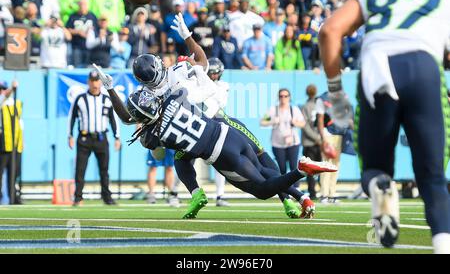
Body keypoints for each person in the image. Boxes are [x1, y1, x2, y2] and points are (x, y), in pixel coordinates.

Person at [95, 14, 323, 219]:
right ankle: (295, 196)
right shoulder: (176, 76)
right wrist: (187, 38)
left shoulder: (154, 98)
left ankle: (287, 198)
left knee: (258, 163)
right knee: (248, 166)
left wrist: (112, 90)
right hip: (213, 128)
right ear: (159, 65)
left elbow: (132, 123)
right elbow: (202, 64)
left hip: (213, 128)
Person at [318, 0, 450, 252]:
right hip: (422, 67)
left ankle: (381, 185)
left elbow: (329, 31)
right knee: (432, 178)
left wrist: (336, 93)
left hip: (375, 69)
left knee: (374, 169)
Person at [68, 71, 121, 206]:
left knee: (104, 170)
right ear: (88, 82)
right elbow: (71, 117)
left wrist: (117, 137)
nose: (94, 83)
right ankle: (78, 197)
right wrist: (70, 135)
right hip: (84, 138)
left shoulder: (107, 99)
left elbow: (113, 119)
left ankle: (107, 197)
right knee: (80, 169)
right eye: (92, 81)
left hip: (101, 138)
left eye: (97, 81)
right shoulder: (80, 99)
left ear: (100, 82)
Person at [193, 58, 230, 207]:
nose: (213, 76)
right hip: (199, 125)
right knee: (187, 159)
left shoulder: (222, 86)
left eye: (215, 73)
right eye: (211, 73)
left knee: (219, 160)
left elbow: (220, 103)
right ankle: (176, 193)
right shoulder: (199, 83)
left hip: (214, 124)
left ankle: (220, 195)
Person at [261, 89, 306, 186]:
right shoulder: (273, 109)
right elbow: (262, 122)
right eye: (281, 96)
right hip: (277, 143)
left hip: (292, 142)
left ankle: (296, 188)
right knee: (282, 167)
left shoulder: (294, 109)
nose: (283, 98)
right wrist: (272, 121)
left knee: (294, 166)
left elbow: (302, 123)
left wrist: (295, 123)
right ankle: (285, 188)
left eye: (285, 96)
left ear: (289, 97)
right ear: (278, 97)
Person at [0, 80, 22, 205]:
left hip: (14, 144)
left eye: (3, 88)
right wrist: (12, 89)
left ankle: (13, 197)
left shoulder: (15, 103)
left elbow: (20, 123)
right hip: (2, 144)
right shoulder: (2, 101)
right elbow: (3, 97)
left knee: (14, 173)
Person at [301, 84, 322, 200]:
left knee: (311, 170)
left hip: (310, 142)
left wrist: (316, 138)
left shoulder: (305, 106)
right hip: (315, 142)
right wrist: (319, 138)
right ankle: (320, 191)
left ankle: (313, 192)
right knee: (320, 168)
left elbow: (305, 126)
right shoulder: (318, 106)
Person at [66, 0, 97, 68]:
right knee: (77, 66)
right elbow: (67, 29)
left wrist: (90, 33)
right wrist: (78, 32)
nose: (82, 7)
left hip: (90, 47)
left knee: (88, 67)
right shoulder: (73, 16)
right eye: (81, 5)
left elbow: (96, 29)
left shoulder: (92, 16)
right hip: (77, 46)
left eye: (84, 4)